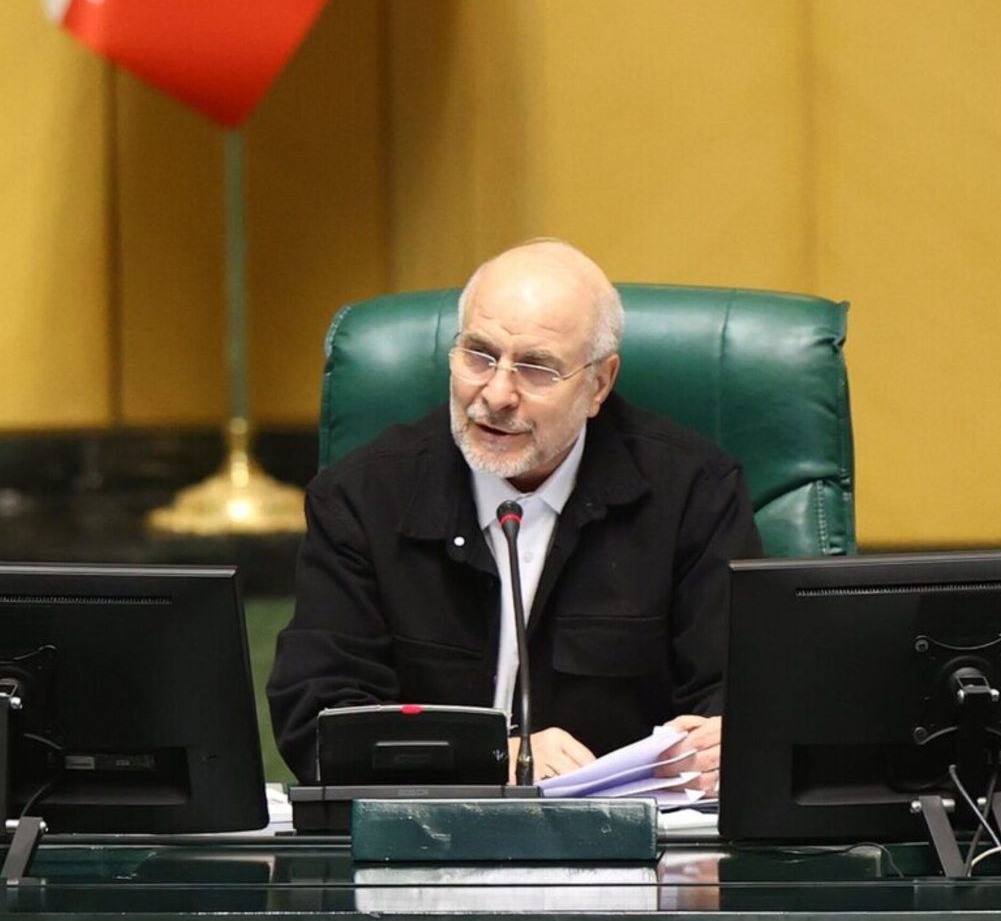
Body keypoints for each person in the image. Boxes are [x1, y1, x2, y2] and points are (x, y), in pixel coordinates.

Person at [267, 239, 763, 793]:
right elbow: (318, 719)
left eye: (536, 368)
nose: (498, 393)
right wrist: (487, 760)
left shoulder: (694, 493)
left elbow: (740, 693)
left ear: (599, 384)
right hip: (425, 834)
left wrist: (731, 742)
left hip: (628, 833)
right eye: (479, 355)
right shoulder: (362, 496)